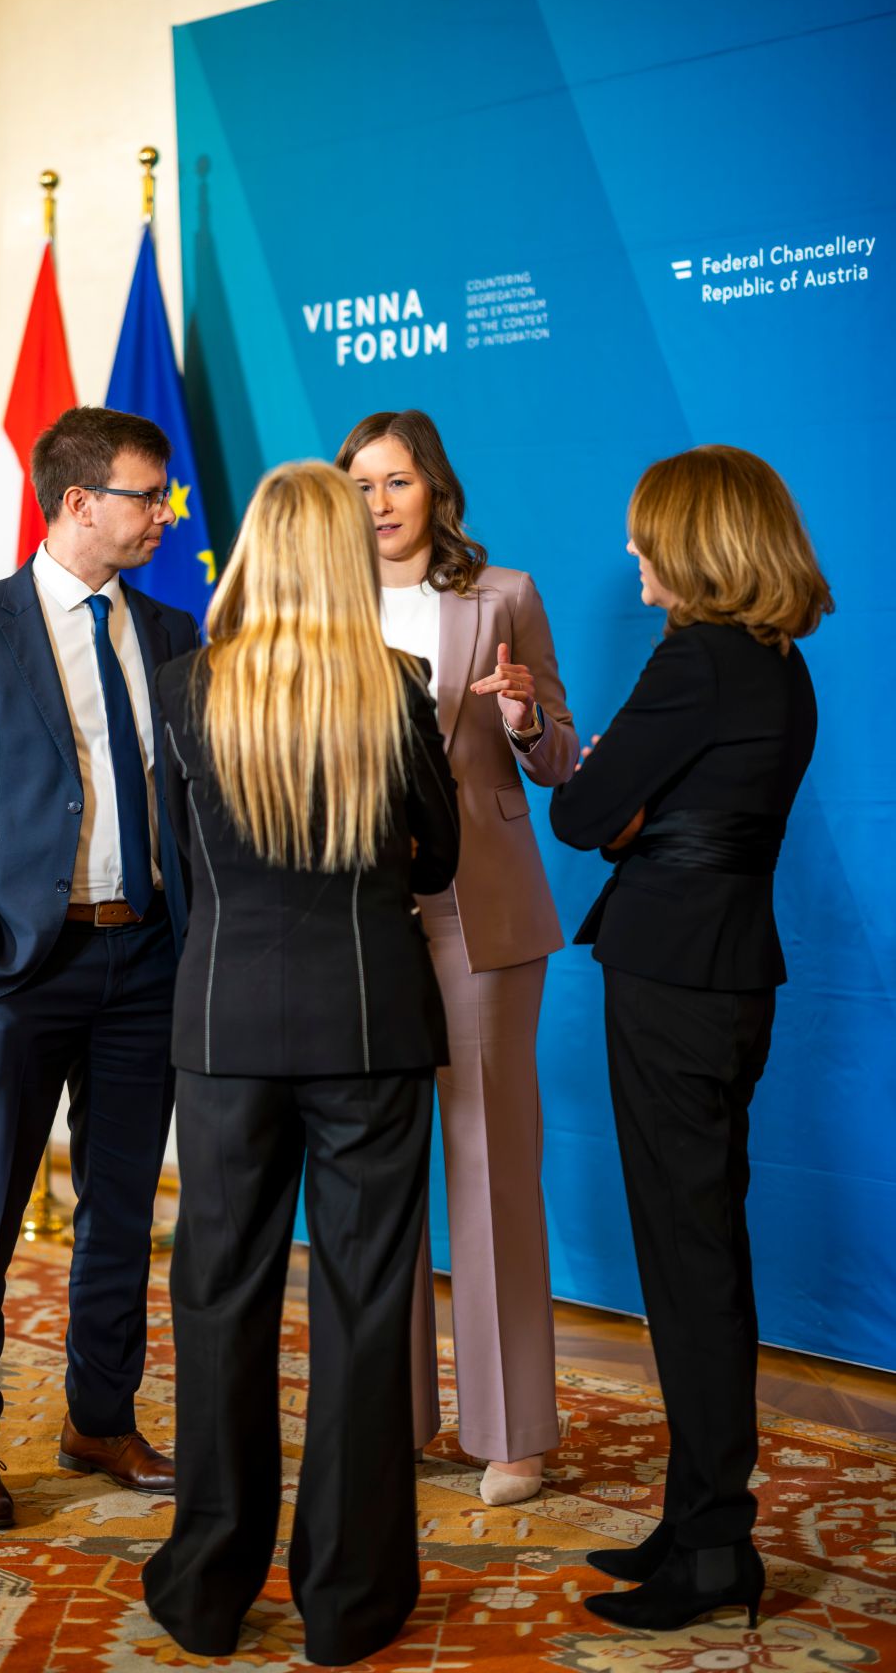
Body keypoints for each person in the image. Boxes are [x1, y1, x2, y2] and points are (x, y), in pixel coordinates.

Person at [142, 461, 460, 1666]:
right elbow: (432, 863)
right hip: (372, 1027)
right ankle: (350, 1598)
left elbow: (181, 866)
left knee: (219, 1298)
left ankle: (208, 1585)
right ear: (339, 554)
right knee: (366, 1304)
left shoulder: (183, 689)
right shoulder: (397, 687)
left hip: (223, 1029)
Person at [0, 405, 200, 1529]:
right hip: (21, 965)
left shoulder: (170, 635)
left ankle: (98, 1414)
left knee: (120, 1206)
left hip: (145, 958)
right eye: (144, 496)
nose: (162, 513)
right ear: (77, 503)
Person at [550, 445, 832, 1631]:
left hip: (674, 979)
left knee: (691, 1260)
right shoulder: (777, 664)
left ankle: (715, 1546)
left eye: (643, 531)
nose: (630, 551)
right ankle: (693, 1515)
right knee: (698, 1247)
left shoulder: (695, 661)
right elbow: (628, 813)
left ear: (696, 541)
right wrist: (639, 817)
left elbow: (577, 813)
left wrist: (629, 815)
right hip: (722, 975)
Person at [337, 409, 578, 1505]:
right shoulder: (321, 603)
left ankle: (512, 1428)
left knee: (489, 1165)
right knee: (378, 1172)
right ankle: (402, 1414)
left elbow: (562, 760)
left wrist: (527, 717)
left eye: (396, 481)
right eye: (360, 484)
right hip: (357, 919)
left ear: (435, 486)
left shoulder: (507, 595)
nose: (379, 503)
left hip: (476, 914)